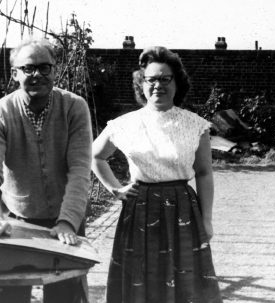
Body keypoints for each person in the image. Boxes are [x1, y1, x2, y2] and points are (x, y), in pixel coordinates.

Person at [92, 46, 223, 303]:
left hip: (183, 210)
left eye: (165, 79)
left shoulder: (195, 125)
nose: (158, 86)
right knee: (141, 278)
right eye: (151, 79)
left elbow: (205, 173)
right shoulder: (125, 124)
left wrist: (206, 219)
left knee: (186, 282)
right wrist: (115, 189)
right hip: (140, 209)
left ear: (177, 83)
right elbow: (95, 156)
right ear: (142, 83)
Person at [0, 37, 92, 303]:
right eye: (28, 68)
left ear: (55, 70)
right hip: (18, 219)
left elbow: (80, 168)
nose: (36, 74)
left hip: (66, 218)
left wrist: (68, 221)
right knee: (8, 293)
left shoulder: (74, 107)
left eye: (44, 67)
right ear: (15, 74)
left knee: (66, 293)